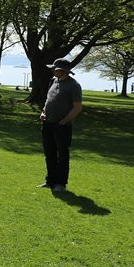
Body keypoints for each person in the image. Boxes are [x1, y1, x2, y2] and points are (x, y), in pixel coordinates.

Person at [38, 58, 82, 192]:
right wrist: (43, 112)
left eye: (55, 69)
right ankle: (50, 181)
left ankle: (61, 183)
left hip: (62, 126)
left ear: (62, 71)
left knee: (62, 155)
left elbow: (77, 107)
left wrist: (65, 120)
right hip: (48, 124)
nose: (52, 70)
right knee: (49, 154)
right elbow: (48, 99)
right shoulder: (53, 81)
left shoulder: (73, 85)